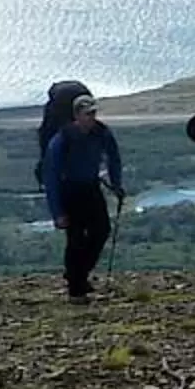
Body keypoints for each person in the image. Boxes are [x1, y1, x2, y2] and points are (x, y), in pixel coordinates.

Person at [38, 93, 128, 301]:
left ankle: (77, 275)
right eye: (88, 114)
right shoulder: (62, 139)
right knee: (76, 238)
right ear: (76, 115)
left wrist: (116, 185)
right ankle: (76, 288)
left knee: (102, 231)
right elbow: (50, 175)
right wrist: (57, 212)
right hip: (70, 190)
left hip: (91, 188)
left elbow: (113, 158)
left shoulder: (101, 132)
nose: (92, 117)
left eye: (93, 113)